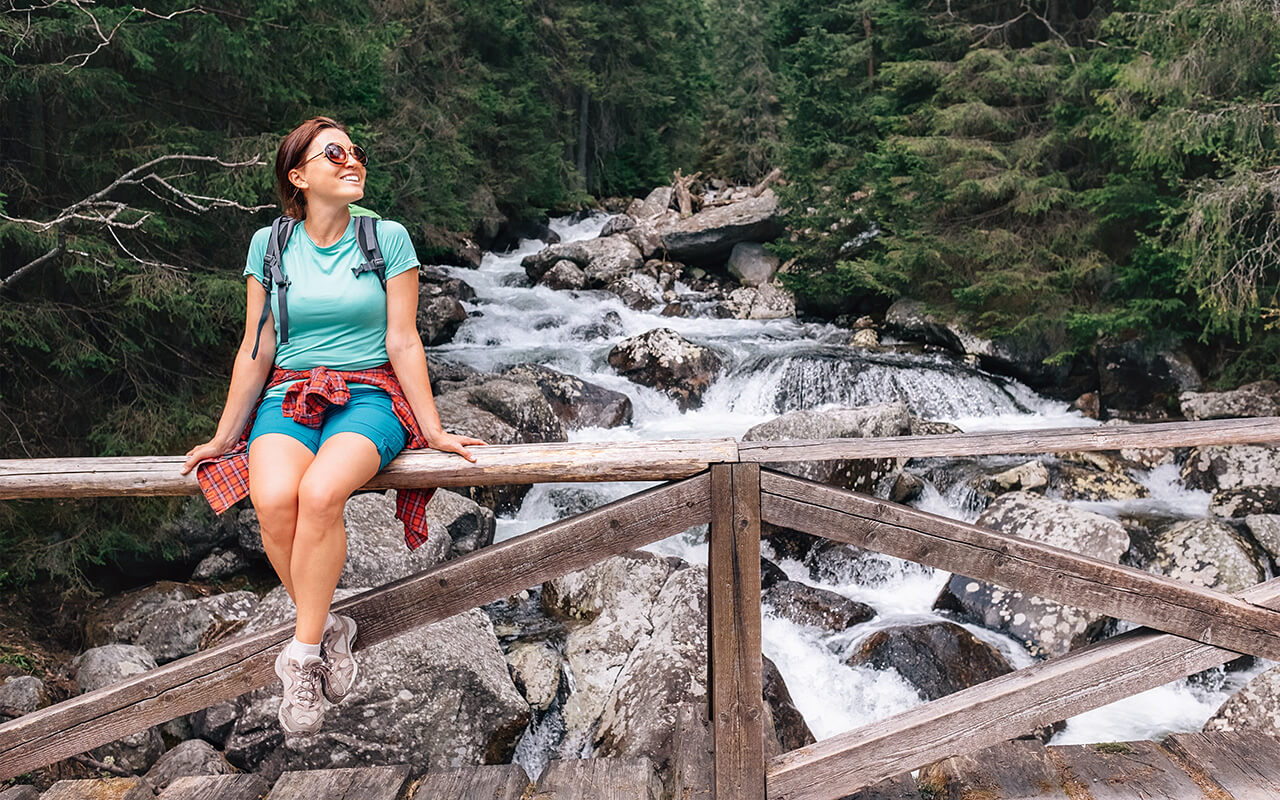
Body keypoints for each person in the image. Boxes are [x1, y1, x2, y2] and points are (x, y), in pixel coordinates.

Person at [179, 116, 485, 734]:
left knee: (320, 493)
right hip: (290, 393)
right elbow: (256, 349)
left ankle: (303, 656)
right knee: (271, 499)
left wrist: (433, 430)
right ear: (299, 176)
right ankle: (330, 624)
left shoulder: (386, 238)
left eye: (356, 152)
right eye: (335, 153)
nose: (353, 162)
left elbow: (403, 341)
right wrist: (221, 437)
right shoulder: (268, 247)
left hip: (370, 394)